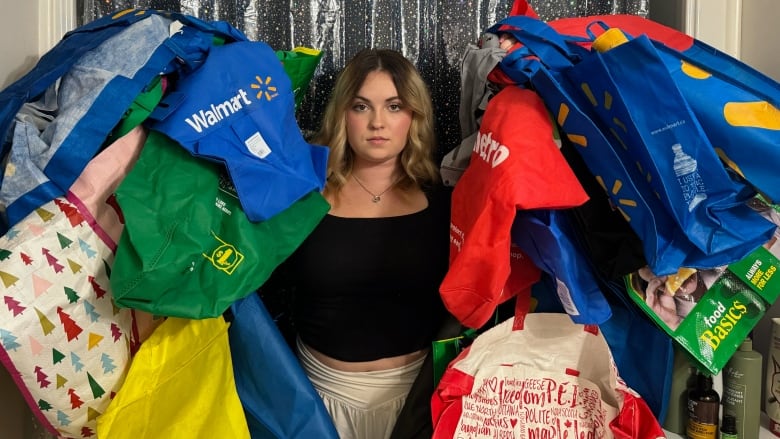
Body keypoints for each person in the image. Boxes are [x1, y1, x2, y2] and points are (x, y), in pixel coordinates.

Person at [271, 48, 452, 439]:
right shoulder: (301, 201)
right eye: (361, 106)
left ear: (413, 117)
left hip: (421, 405)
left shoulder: (446, 206)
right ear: (342, 115)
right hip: (317, 404)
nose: (377, 123)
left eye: (393, 106)